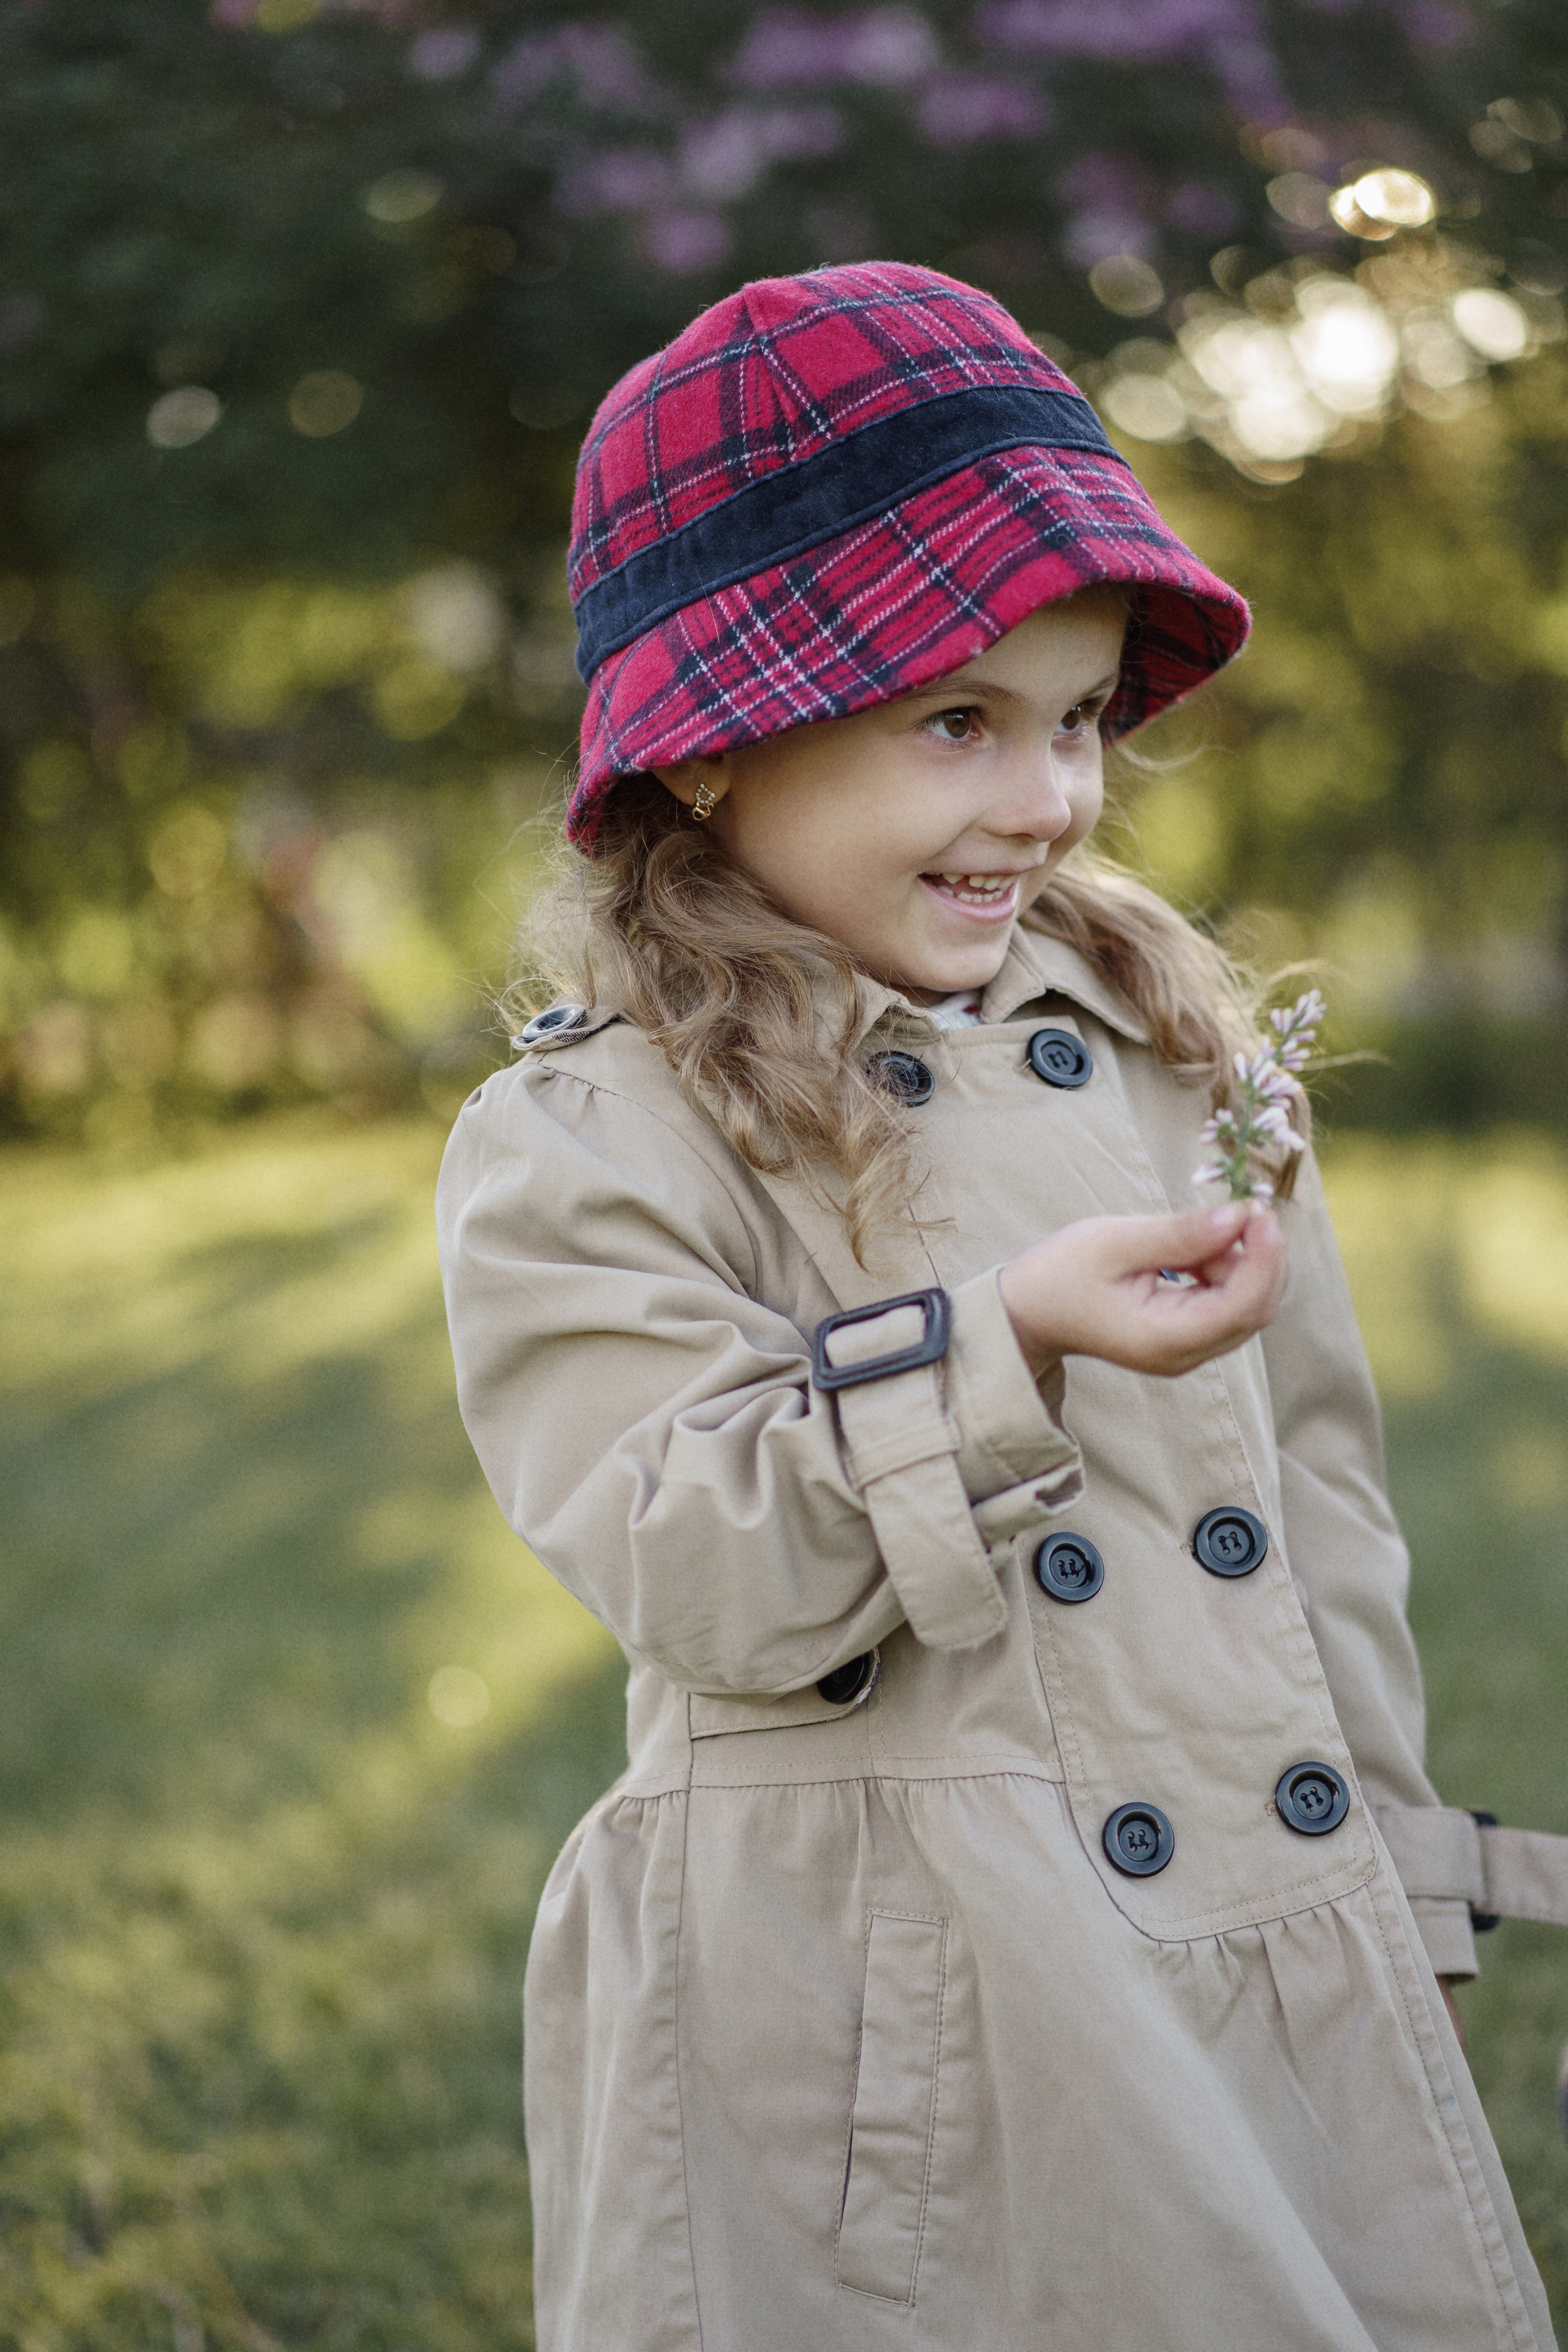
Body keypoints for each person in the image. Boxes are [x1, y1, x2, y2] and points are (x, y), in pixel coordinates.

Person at [437, 262, 1555, 2350]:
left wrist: (1389, 1882)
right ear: (707, 754)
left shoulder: (1161, 1048)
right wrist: (1003, 1343)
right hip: (900, 1994)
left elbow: (1316, 1499)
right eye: (954, 720)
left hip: (1250, 1918)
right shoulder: (592, 1136)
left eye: (1074, 721)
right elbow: (700, 1568)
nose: (1042, 798)